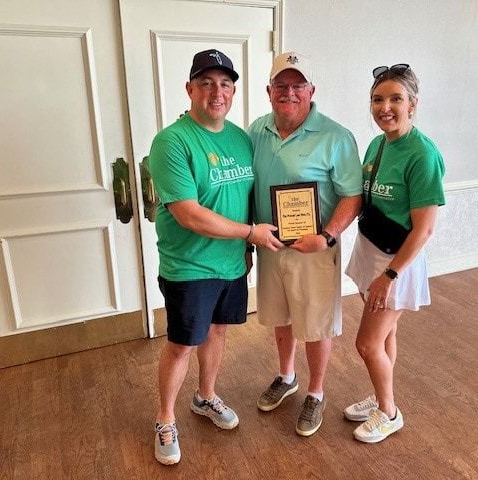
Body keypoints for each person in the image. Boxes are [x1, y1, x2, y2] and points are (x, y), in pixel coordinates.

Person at [149, 49, 283, 465]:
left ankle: (205, 397)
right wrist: (251, 234)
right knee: (182, 344)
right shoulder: (172, 141)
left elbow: (244, 198)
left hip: (230, 264)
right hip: (189, 266)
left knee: (218, 333)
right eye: (206, 83)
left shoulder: (240, 139)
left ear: (234, 91)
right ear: (190, 89)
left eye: (225, 84)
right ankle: (165, 418)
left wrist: (244, 247)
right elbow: (188, 214)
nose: (216, 92)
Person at [248, 52, 362, 437]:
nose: (290, 92)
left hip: (314, 249)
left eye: (298, 85)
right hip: (270, 246)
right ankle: (287, 376)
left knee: (314, 324)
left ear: (312, 90)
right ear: (269, 91)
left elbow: (352, 196)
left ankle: (315, 391)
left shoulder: (336, 136)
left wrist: (327, 235)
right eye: (282, 85)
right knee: (280, 317)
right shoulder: (256, 131)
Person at [343, 64, 446, 443]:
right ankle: (380, 395)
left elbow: (425, 229)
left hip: (394, 262)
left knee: (367, 343)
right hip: (371, 249)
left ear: (413, 104)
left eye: (395, 99)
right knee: (386, 334)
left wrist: (389, 277)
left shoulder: (422, 155)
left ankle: (389, 412)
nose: (385, 107)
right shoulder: (379, 143)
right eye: (377, 99)